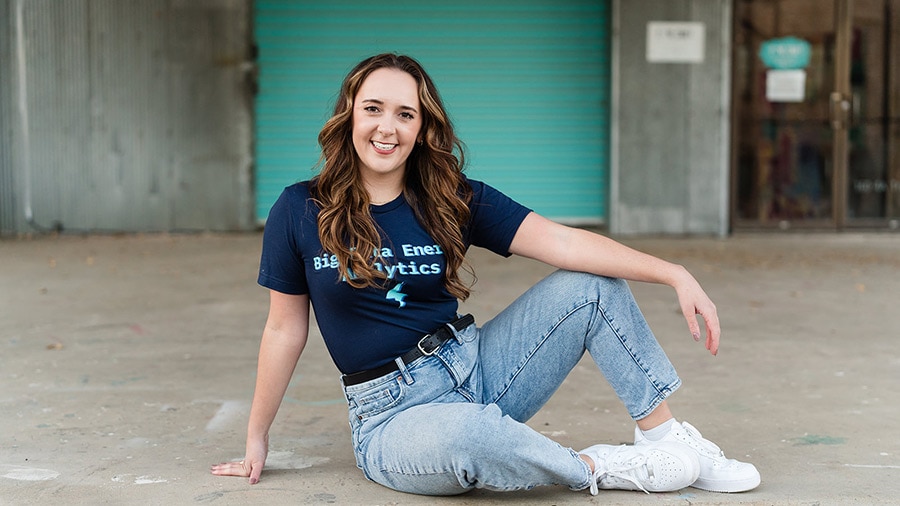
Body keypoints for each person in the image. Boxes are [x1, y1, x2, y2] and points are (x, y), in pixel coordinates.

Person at [211, 53, 761, 496]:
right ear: (349, 115)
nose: (387, 127)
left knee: (590, 288)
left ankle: (668, 440)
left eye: (405, 114)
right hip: (392, 417)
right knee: (472, 436)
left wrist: (673, 273)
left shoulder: (450, 197)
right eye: (373, 108)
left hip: (476, 367)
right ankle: (595, 466)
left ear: (422, 127)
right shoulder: (300, 209)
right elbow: (284, 329)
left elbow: (564, 243)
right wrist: (257, 436)